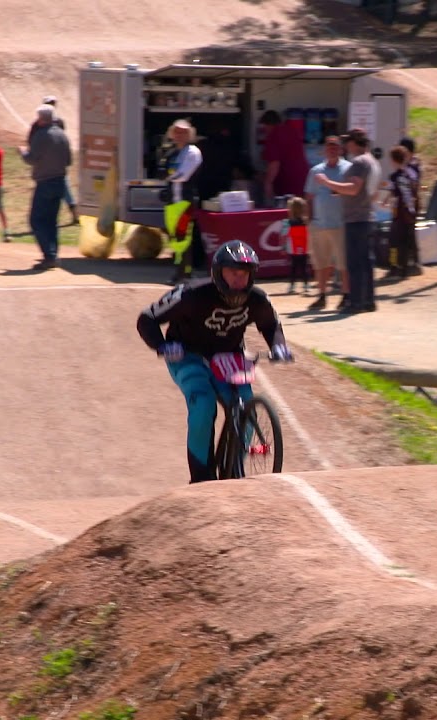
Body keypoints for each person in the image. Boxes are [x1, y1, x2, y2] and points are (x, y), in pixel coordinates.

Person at [136, 241, 293, 484]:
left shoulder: (257, 299)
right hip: (186, 354)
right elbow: (147, 318)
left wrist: (279, 346)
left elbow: (271, 325)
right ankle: (201, 479)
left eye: (246, 273)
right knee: (203, 404)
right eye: (233, 273)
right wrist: (162, 345)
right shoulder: (191, 294)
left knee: (246, 406)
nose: (240, 279)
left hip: (229, 357)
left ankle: (233, 470)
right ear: (218, 272)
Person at [314, 128, 380, 313]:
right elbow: (370, 193)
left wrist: (327, 182)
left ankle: (356, 302)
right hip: (367, 216)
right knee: (366, 262)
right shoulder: (373, 162)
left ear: (354, 142)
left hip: (356, 219)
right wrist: (341, 192)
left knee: (355, 263)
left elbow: (353, 188)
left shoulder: (359, 161)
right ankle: (368, 300)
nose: (346, 146)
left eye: (348, 142)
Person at [18, 105, 72, 270]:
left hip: (45, 182)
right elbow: (69, 161)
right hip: (60, 181)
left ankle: (49, 255)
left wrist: (22, 152)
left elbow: (32, 159)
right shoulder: (63, 135)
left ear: (42, 119)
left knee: (36, 220)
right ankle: (53, 254)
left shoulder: (41, 135)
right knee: (51, 221)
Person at [303, 135, 351, 310]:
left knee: (343, 263)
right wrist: (310, 220)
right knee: (320, 262)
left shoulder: (348, 169)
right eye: (329, 146)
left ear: (341, 149)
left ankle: (346, 294)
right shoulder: (316, 171)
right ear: (324, 149)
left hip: (340, 223)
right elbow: (309, 197)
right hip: (319, 224)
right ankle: (321, 295)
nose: (332, 149)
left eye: (335, 146)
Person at [162, 119, 205, 282]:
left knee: (183, 239)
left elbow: (183, 175)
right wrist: (168, 177)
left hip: (185, 202)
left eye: (184, 132)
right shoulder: (171, 153)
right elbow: (162, 172)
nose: (180, 135)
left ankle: (185, 274)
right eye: (177, 131)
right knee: (175, 240)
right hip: (172, 202)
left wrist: (169, 176)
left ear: (190, 134)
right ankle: (179, 272)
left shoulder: (193, 152)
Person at [34, 94, 78, 224]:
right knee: (62, 185)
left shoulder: (53, 122)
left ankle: (71, 212)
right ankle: (71, 213)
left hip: (52, 159)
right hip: (52, 159)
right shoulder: (54, 122)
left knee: (61, 185)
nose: (51, 105)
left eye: (52, 104)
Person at [384, 144, 421, 277]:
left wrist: (384, 203)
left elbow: (396, 193)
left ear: (393, 160)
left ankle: (394, 267)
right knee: (406, 241)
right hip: (410, 211)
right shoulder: (411, 173)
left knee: (393, 241)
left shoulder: (395, 176)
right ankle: (405, 268)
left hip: (399, 212)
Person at [259, 110, 309, 201]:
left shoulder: (273, 135)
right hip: (303, 181)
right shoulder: (291, 131)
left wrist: (267, 183)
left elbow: (274, 164)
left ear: (267, 125)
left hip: (288, 184)